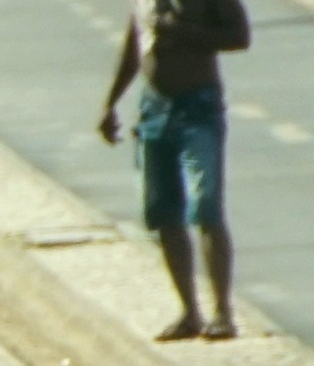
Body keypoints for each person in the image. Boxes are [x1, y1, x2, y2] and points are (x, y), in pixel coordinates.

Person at [99, 0, 253, 342]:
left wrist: (183, 31)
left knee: (206, 205)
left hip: (197, 106)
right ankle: (189, 312)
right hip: (153, 107)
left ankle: (223, 312)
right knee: (162, 211)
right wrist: (110, 103)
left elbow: (240, 36)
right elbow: (134, 43)